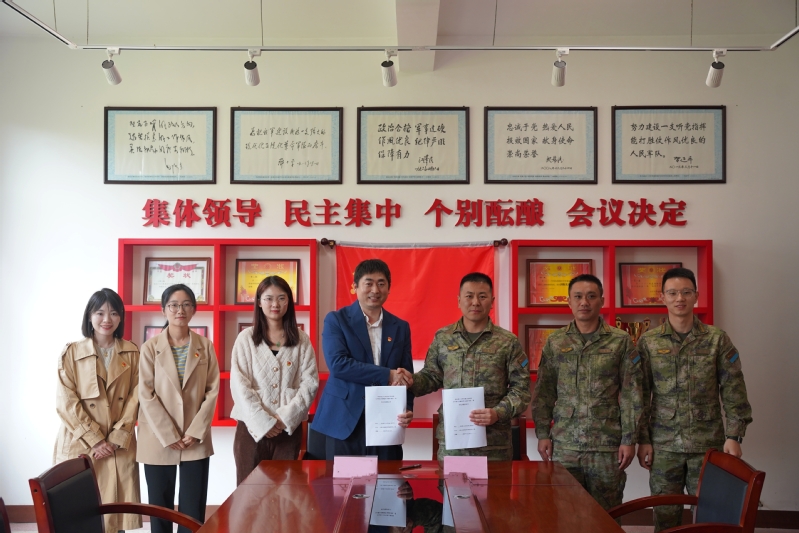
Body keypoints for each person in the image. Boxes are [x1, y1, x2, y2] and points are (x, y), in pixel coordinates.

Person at [636, 267, 752, 532]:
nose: (680, 298)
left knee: (711, 516)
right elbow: (640, 394)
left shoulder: (716, 339)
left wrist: (734, 435)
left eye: (686, 292)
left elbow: (734, 389)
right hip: (664, 446)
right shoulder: (649, 342)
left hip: (707, 444)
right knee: (665, 516)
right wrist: (643, 439)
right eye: (672, 293)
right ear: (663, 297)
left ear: (696, 296)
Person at [532, 274, 643, 512]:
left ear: (601, 300)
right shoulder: (556, 342)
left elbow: (632, 394)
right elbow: (544, 392)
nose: (585, 302)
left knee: (607, 514)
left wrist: (629, 439)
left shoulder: (620, 341)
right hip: (566, 445)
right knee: (566, 514)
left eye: (591, 296)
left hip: (606, 444)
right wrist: (542, 433)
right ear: (569, 302)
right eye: (578, 297)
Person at [403, 272, 531, 461]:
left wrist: (498, 413)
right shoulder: (443, 338)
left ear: (492, 301)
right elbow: (431, 377)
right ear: (459, 301)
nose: (475, 302)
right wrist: (410, 380)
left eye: (482, 296)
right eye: (469, 296)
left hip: (494, 445)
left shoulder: (507, 342)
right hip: (453, 443)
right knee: (450, 482)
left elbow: (522, 389)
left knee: (496, 483)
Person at [54, 288, 142, 533]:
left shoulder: (133, 352)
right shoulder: (72, 352)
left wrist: (115, 438)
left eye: (114, 313)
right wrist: (95, 440)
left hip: (118, 444)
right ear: (89, 316)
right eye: (100, 312)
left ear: (121, 317)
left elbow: (137, 397)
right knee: (79, 514)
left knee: (115, 517)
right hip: (81, 442)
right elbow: (66, 401)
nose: (107, 319)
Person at [137, 284, 220, 533]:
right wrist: (169, 434)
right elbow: (145, 394)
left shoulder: (205, 346)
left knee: (192, 510)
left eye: (186, 305)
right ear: (163, 310)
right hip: (158, 437)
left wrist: (196, 431)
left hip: (195, 437)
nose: (179, 310)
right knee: (159, 507)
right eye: (173, 305)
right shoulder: (150, 348)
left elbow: (212, 391)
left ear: (194, 309)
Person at [312, 258, 414, 460]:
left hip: (386, 421)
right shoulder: (336, 320)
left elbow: (406, 375)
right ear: (355, 287)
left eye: (381, 283)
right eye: (368, 283)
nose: (375, 290)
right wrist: (387, 374)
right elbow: (338, 365)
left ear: (389, 288)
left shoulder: (400, 327)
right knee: (345, 480)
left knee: (387, 478)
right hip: (344, 420)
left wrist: (407, 408)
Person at [230, 275, 319, 484]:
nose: (275, 304)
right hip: (251, 429)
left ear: (288, 302)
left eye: (281, 298)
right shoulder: (245, 339)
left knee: (284, 494)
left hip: (287, 430)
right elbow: (239, 385)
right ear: (259, 302)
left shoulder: (301, 340)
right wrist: (264, 422)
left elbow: (310, 383)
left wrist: (284, 418)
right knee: (249, 493)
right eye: (268, 298)